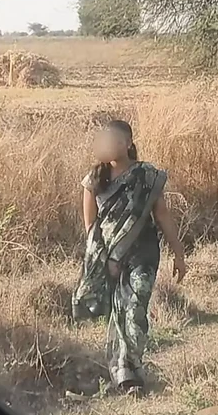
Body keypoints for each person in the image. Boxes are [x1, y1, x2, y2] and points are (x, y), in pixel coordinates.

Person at [73, 120, 187, 394]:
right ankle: (126, 374)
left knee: (135, 309)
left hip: (143, 253)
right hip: (111, 258)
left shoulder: (146, 177)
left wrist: (179, 254)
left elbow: (163, 216)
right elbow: (92, 228)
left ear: (128, 143)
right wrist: (104, 261)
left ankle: (131, 364)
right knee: (118, 311)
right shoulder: (94, 180)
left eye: (115, 140)